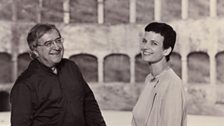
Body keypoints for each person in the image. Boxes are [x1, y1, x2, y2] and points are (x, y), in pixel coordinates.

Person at [10, 23, 106, 126]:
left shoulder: (71, 68)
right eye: (48, 43)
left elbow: (89, 104)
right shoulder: (25, 84)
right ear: (35, 51)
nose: (56, 47)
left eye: (58, 40)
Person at [132, 22, 187, 126]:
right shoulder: (148, 80)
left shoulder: (173, 85)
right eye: (144, 41)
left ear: (166, 51)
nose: (145, 47)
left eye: (154, 43)